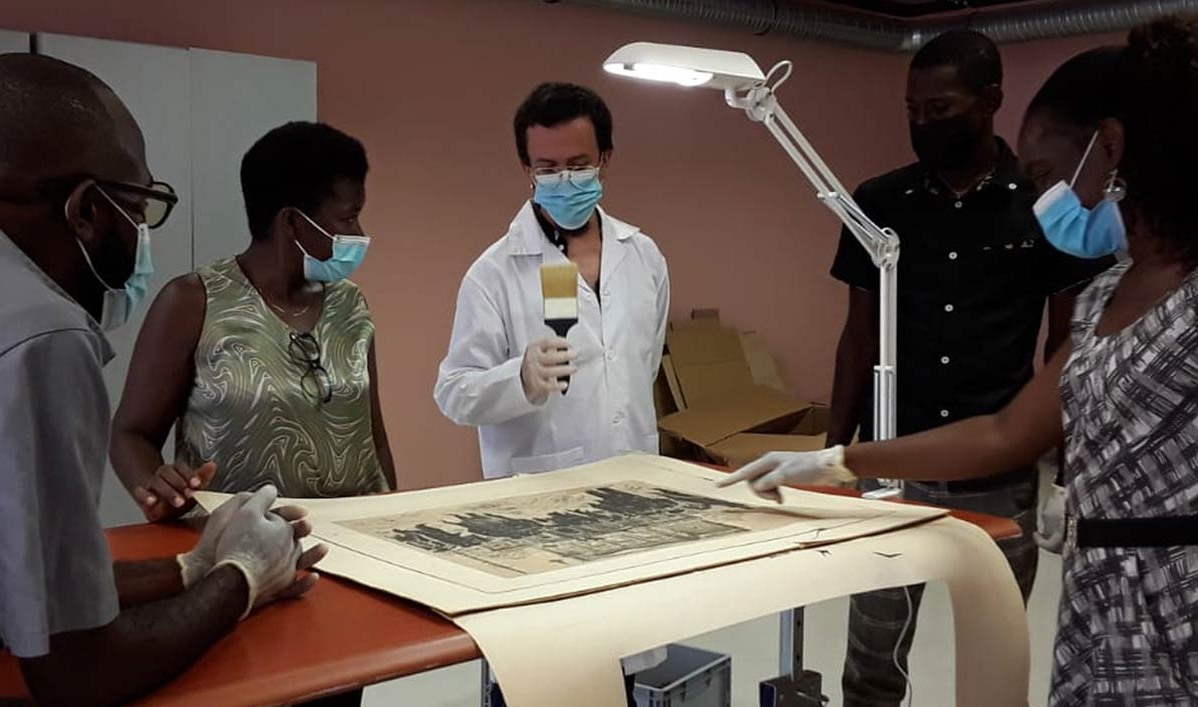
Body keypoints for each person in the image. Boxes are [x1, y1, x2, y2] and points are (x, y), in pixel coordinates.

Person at [723, 17, 1198, 705]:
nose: (1046, 199)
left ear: (1112, 149)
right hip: (1102, 605)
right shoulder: (1105, 295)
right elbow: (1006, 431)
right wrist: (841, 459)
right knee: (878, 649)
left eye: (1045, 173)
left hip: (1178, 598)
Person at [0, 54, 323, 705]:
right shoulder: (34, 331)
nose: (143, 234)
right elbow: (80, 672)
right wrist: (243, 575)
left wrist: (192, 566)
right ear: (86, 210)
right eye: (142, 206)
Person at [823, 29, 1111, 707]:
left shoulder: (1041, 207)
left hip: (1001, 474)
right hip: (894, 466)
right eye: (913, 111)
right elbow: (857, 335)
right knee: (872, 658)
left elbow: (1064, 344)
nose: (924, 125)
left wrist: (1065, 477)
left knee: (995, 653)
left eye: (941, 111)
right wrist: (834, 456)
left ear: (989, 102)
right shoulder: (880, 204)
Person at [433, 82, 670, 706]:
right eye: (547, 168)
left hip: (632, 506)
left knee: (618, 675)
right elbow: (454, 393)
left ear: (606, 160)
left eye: (577, 165)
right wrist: (518, 378)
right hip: (540, 518)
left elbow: (639, 371)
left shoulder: (642, 256)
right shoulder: (494, 272)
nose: (563, 180)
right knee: (541, 681)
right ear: (526, 169)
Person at [111, 121, 395, 524]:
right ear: (293, 223)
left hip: (357, 543)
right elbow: (130, 433)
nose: (360, 233)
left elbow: (373, 438)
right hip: (234, 548)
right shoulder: (193, 302)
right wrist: (158, 485)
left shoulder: (350, 304)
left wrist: (393, 518)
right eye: (349, 219)